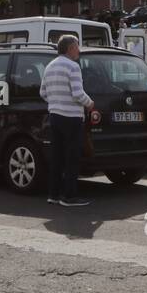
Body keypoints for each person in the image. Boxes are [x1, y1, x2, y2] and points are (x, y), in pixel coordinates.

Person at [41, 35, 94, 208]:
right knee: (72, 158)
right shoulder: (73, 66)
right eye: (77, 47)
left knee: (57, 156)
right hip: (72, 117)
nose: (79, 50)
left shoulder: (49, 66)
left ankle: (53, 194)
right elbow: (78, 94)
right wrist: (90, 103)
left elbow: (43, 92)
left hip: (55, 116)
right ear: (70, 48)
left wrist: (55, 101)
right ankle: (69, 196)